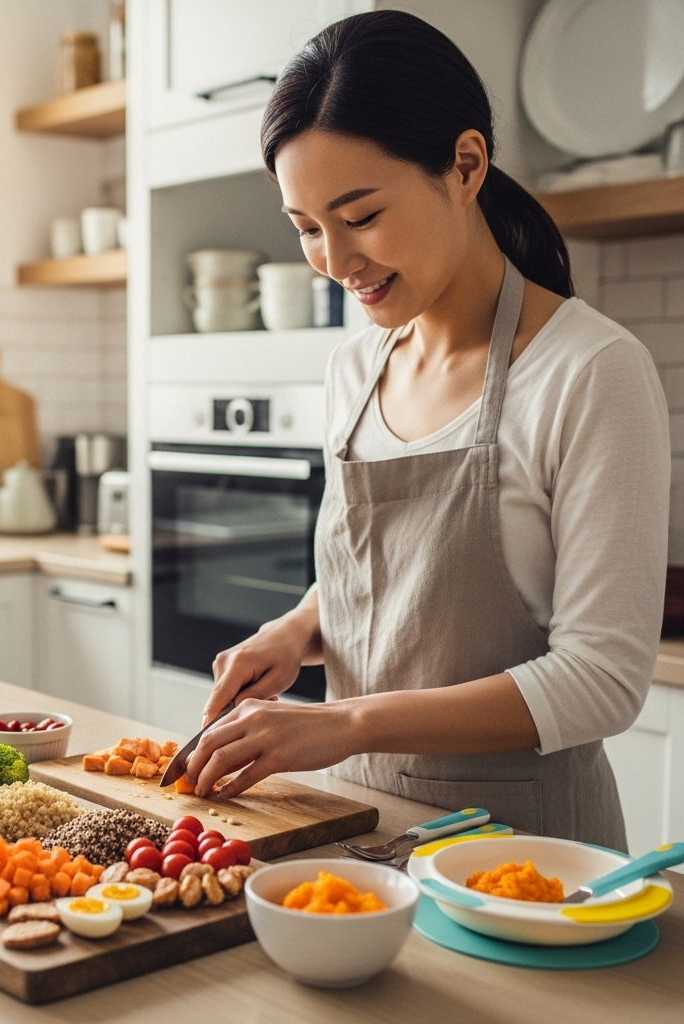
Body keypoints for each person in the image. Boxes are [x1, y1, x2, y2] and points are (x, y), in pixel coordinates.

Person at [183, 11, 669, 850]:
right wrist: (298, 630)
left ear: (466, 164)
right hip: (357, 836)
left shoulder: (589, 371)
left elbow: (602, 681)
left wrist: (347, 722)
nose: (335, 261)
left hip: (527, 863)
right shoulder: (354, 367)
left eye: (360, 215)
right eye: (305, 228)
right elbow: (387, 589)